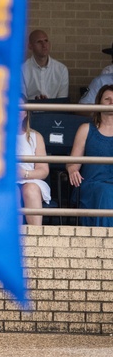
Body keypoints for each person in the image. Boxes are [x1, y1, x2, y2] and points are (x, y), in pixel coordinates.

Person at [67, 84, 113, 227]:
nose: (112, 103)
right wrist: (72, 169)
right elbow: (72, 162)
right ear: (99, 102)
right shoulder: (86, 129)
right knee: (105, 193)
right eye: (107, 99)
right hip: (93, 186)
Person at [16, 102, 50, 226]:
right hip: (6, 181)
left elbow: (43, 170)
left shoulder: (35, 137)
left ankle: (36, 237)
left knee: (31, 189)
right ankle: (14, 240)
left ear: (25, 113)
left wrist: (23, 174)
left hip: (31, 179)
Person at [21, 29, 68, 101]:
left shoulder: (61, 69)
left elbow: (62, 101)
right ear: (30, 46)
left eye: (46, 41)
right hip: (30, 111)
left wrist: (48, 104)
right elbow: (21, 99)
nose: (44, 45)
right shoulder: (21, 70)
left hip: (54, 111)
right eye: (39, 42)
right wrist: (35, 104)